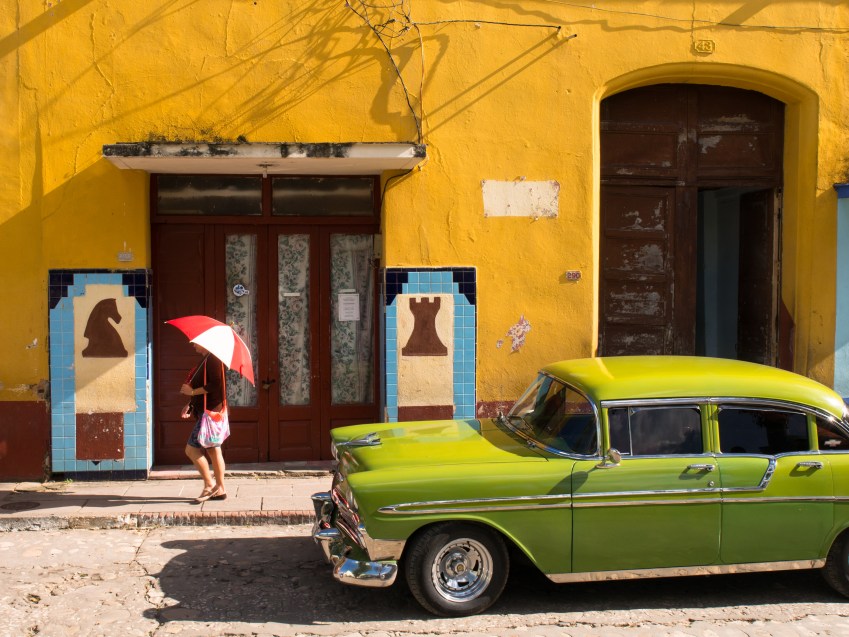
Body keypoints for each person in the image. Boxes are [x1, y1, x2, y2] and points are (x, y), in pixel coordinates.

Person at [180, 343, 228, 502]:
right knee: (214, 450)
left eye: (195, 342)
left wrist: (192, 392)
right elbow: (204, 386)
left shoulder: (214, 359)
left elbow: (216, 385)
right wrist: (191, 403)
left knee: (191, 450)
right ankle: (220, 489)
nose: (193, 345)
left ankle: (209, 485)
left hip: (210, 414)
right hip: (208, 412)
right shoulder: (207, 359)